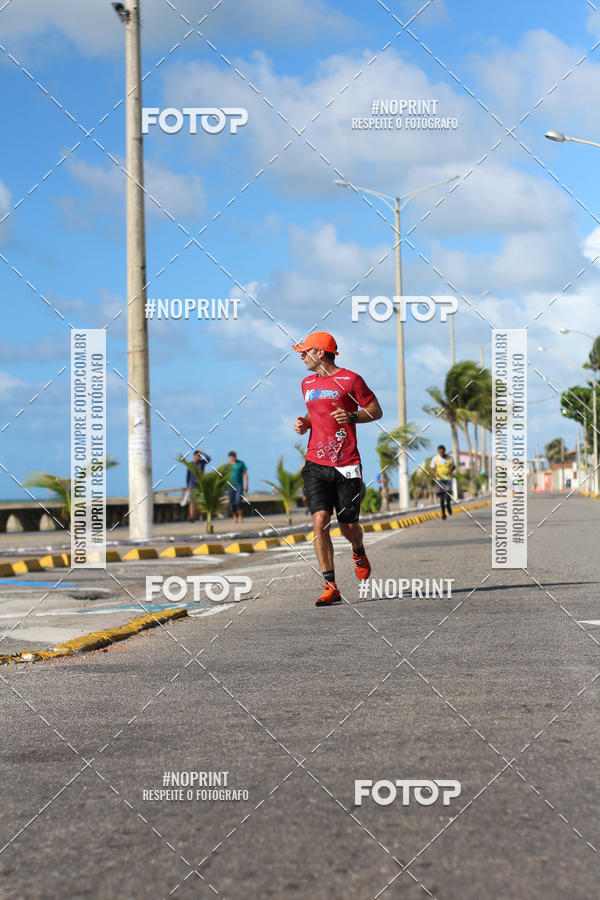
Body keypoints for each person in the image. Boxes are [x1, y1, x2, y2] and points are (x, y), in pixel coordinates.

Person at [293, 331, 382, 607]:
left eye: (305, 351)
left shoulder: (351, 379)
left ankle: (358, 549)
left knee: (348, 525)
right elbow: (315, 411)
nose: (301, 356)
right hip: (315, 463)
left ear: (321, 352)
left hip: (347, 464)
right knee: (320, 520)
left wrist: (353, 415)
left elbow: (375, 410)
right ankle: (330, 585)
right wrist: (305, 424)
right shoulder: (307, 383)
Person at [430, 445, 455, 519]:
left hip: (447, 479)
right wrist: (434, 473)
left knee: (447, 497)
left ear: (444, 451)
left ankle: (448, 506)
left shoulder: (450, 458)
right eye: (439, 452)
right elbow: (431, 469)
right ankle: (443, 513)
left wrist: (451, 470)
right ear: (438, 452)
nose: (441, 453)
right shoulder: (435, 459)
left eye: (442, 452)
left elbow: (453, 466)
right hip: (439, 480)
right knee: (441, 499)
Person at [186, 449, 211, 522]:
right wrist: (187, 486)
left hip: (201, 485)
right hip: (192, 485)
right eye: (197, 456)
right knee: (192, 502)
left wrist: (202, 453)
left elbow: (209, 459)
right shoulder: (190, 464)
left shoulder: (202, 463)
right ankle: (192, 516)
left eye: (199, 456)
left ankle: (201, 517)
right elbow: (188, 475)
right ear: (194, 456)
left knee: (201, 502)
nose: (198, 457)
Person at [227, 451, 248, 524]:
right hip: (230, 486)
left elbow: (245, 474)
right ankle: (234, 517)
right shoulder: (227, 465)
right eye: (232, 456)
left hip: (239, 485)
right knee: (232, 502)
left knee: (238, 501)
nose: (233, 457)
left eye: (234, 455)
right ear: (229, 457)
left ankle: (240, 516)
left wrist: (246, 485)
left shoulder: (241, 463)